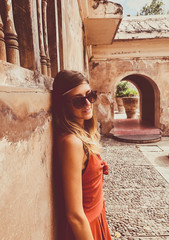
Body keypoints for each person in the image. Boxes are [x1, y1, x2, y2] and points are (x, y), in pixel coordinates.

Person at [52, 70, 111, 240]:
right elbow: (75, 215)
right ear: (63, 105)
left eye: (90, 95)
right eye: (78, 100)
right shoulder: (73, 143)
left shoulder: (83, 135)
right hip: (85, 229)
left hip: (96, 219)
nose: (87, 104)